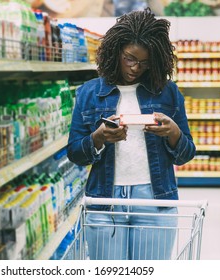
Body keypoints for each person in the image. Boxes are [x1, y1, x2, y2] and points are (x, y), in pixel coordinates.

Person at [66, 8, 195, 260]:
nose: (136, 68)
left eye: (145, 62)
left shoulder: (167, 92)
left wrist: (174, 133)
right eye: (130, 59)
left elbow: (186, 154)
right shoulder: (89, 93)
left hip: (154, 198)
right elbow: (75, 153)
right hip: (104, 200)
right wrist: (98, 138)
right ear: (116, 51)